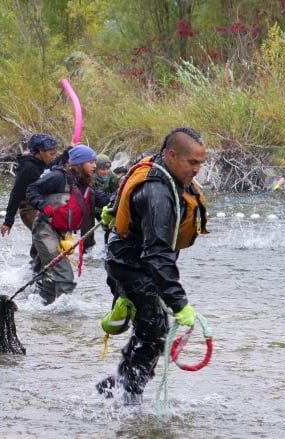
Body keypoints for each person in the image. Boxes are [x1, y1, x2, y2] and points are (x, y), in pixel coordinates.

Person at [97, 127, 208, 405]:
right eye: (192, 162)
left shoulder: (158, 165)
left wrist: (113, 206)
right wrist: (179, 302)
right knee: (156, 334)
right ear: (171, 155)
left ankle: (115, 385)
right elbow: (157, 254)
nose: (197, 169)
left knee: (149, 329)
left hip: (128, 259)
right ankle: (130, 400)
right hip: (131, 266)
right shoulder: (157, 193)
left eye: (200, 163)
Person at [26, 144, 109, 305]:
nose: (95, 166)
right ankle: (64, 318)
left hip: (62, 235)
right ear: (79, 164)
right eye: (90, 162)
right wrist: (43, 206)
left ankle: (41, 309)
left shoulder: (88, 186)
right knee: (65, 275)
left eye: (95, 162)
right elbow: (31, 189)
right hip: (45, 232)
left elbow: (106, 201)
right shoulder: (57, 177)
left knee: (51, 276)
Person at [0, 133, 60, 273]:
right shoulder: (28, 168)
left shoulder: (45, 162)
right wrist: (8, 221)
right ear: (40, 152)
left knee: (48, 234)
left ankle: (36, 268)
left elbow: (58, 163)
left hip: (42, 205)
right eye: (51, 153)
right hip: (28, 208)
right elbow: (16, 193)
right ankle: (35, 271)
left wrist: (70, 149)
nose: (53, 157)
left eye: (55, 153)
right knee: (44, 234)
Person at [83, 153, 121, 250]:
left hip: (105, 208)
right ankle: (86, 249)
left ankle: (107, 248)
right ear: (96, 169)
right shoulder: (90, 177)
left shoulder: (113, 177)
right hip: (90, 208)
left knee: (109, 228)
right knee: (87, 230)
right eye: (102, 169)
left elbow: (116, 195)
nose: (105, 172)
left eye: (107, 169)